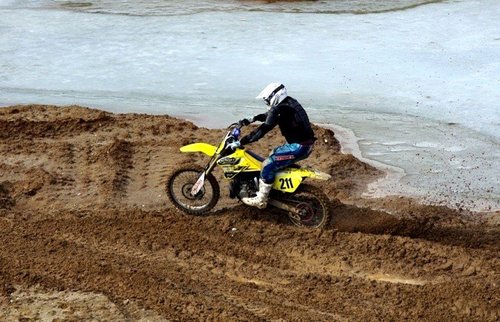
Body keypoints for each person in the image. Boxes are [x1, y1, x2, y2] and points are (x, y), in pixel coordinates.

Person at [233, 82, 316, 209]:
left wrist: (241, 141)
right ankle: (274, 191)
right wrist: (252, 118)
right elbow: (269, 116)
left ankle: (261, 199)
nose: (267, 103)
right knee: (274, 153)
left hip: (299, 147)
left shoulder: (280, 109)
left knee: (267, 165)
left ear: (275, 95)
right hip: (305, 144)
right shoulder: (289, 103)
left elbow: (263, 130)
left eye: (267, 100)